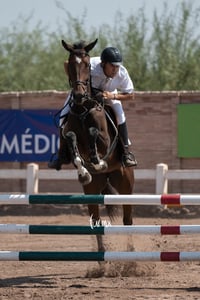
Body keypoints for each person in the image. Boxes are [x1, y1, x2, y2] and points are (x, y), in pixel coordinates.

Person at [48, 45, 137, 170]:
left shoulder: (122, 72)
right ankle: (61, 155)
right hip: (86, 94)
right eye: (112, 65)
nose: (115, 69)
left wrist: (113, 95)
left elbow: (131, 95)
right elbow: (67, 64)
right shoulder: (91, 65)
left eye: (117, 66)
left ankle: (126, 153)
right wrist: (75, 83)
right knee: (63, 115)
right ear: (103, 63)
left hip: (109, 95)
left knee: (120, 116)